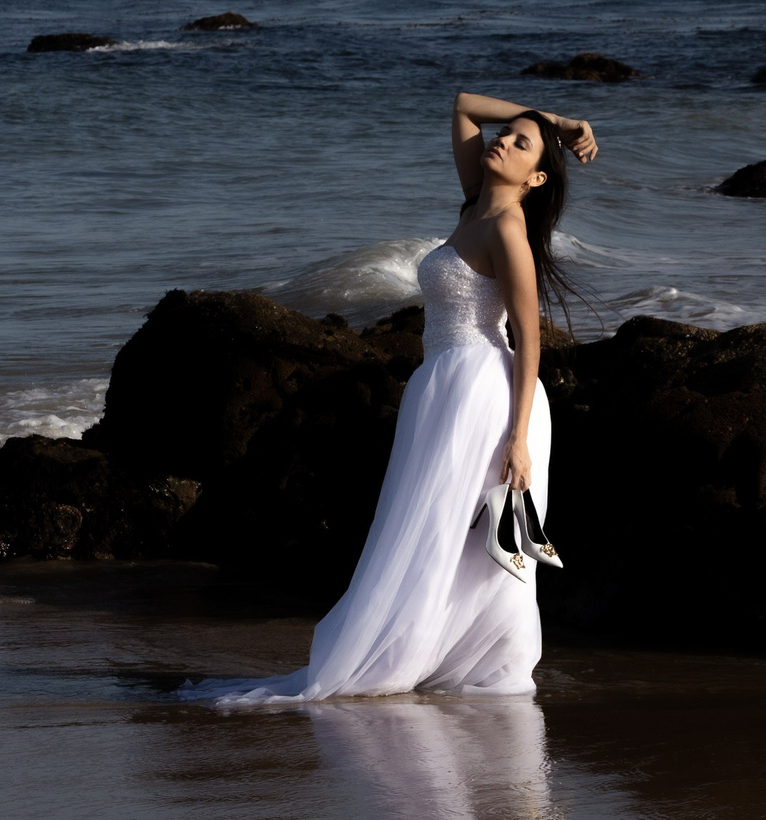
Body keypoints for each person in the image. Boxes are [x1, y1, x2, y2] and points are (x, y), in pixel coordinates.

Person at [191, 94, 597, 703]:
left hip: (486, 390)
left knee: (470, 535)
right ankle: (435, 650)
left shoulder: (507, 226)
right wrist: (556, 122)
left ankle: (484, 657)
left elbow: (530, 339)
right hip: (442, 385)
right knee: (432, 528)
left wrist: (518, 438)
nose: (503, 142)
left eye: (520, 144)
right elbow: (464, 106)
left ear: (536, 178)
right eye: (505, 134)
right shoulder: (475, 204)